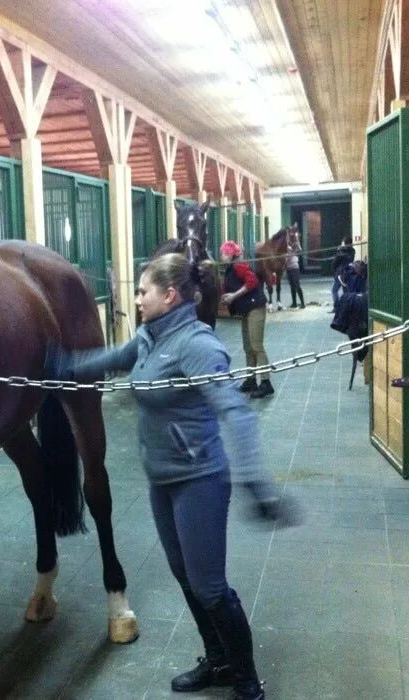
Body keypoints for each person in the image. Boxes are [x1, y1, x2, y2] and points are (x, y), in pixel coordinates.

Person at [45, 253, 299, 700]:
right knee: (185, 576)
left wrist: (257, 483)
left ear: (170, 295)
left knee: (210, 586)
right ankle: (218, 660)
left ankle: (246, 681)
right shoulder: (147, 337)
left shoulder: (197, 346)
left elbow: (236, 413)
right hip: (162, 480)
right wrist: (56, 366)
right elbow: (106, 358)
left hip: (199, 479)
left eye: (143, 291)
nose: (137, 298)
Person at [219, 241, 273, 399]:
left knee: (256, 346)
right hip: (247, 309)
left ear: (229, 253)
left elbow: (252, 281)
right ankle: (251, 379)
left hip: (255, 308)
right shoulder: (231, 267)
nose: (221, 256)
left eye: (223, 253)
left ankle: (266, 382)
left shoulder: (238, 265)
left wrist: (234, 296)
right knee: (248, 347)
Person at [330, 236, 356, 309]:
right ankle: (341, 307)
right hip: (340, 273)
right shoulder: (342, 250)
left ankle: (338, 307)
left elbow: (348, 258)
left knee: (335, 290)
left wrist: (341, 250)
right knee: (342, 291)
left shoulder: (350, 251)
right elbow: (336, 261)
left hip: (344, 274)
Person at [285, 227, 304, 309]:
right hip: (288, 267)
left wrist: (294, 247)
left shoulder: (295, 243)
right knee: (292, 286)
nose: (288, 235)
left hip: (294, 267)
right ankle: (294, 303)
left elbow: (300, 250)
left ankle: (303, 303)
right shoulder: (286, 244)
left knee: (297, 285)